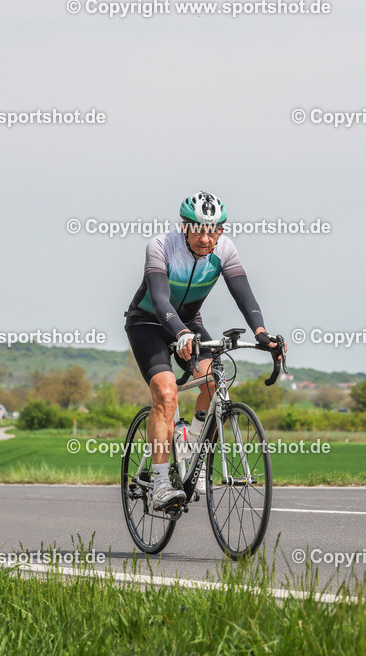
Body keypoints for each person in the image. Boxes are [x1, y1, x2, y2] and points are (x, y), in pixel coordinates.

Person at [124, 192, 281, 510]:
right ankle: (159, 484)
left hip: (189, 323)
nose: (207, 239)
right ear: (185, 227)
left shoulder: (224, 249)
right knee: (167, 394)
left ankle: (190, 444)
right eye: (199, 230)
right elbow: (159, 299)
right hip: (148, 324)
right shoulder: (161, 245)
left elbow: (244, 295)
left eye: (215, 231)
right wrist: (179, 333)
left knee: (213, 381)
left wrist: (261, 333)